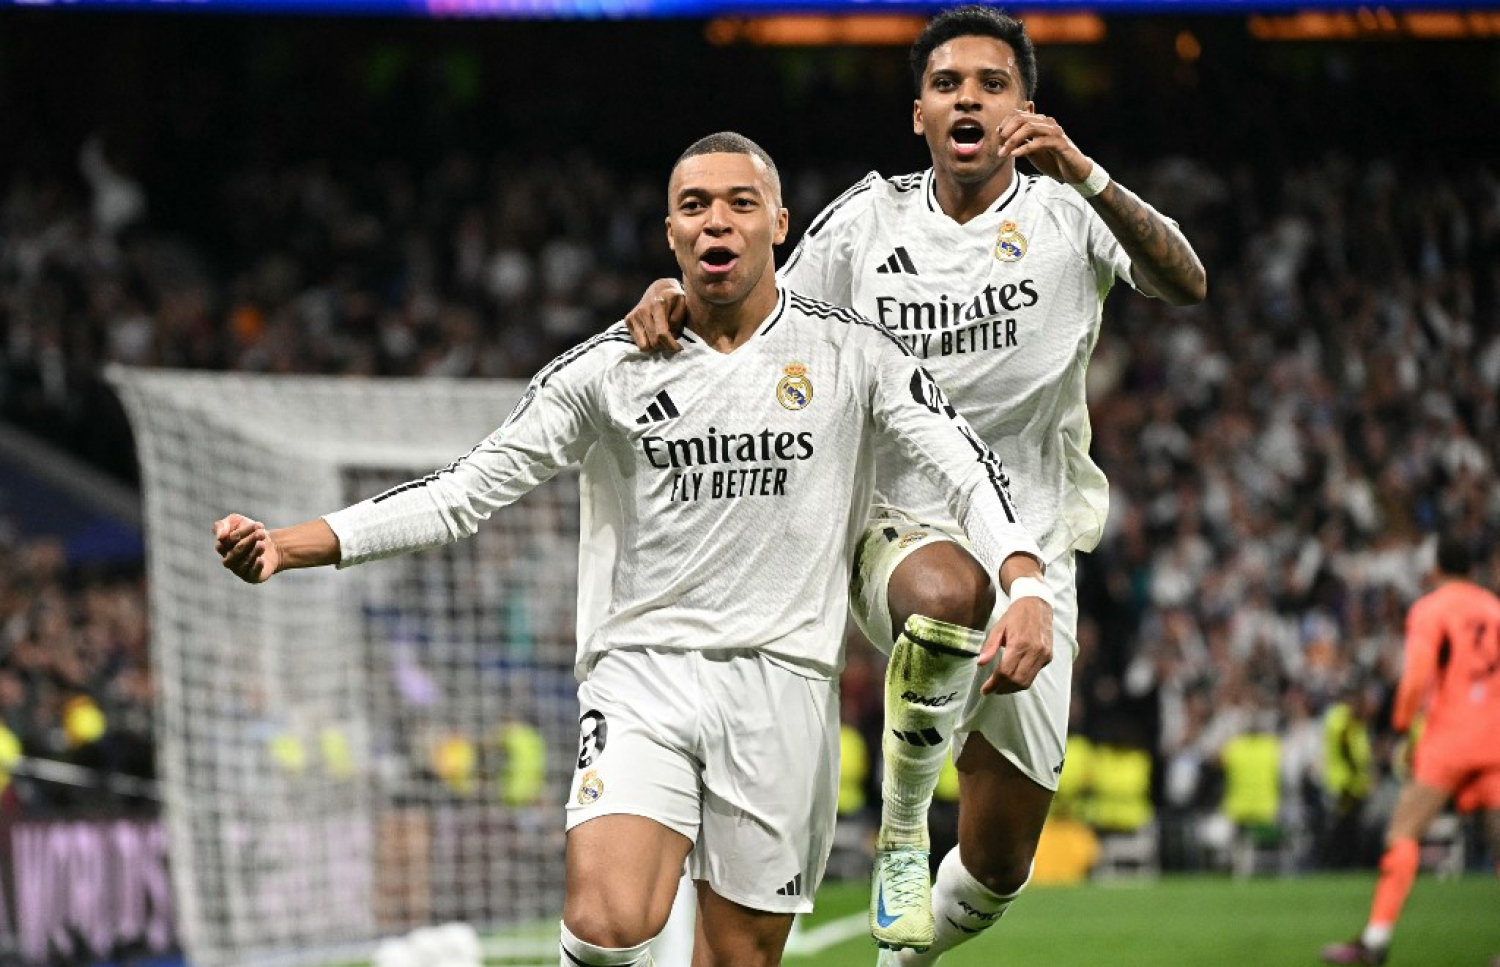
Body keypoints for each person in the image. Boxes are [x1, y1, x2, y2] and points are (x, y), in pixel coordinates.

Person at [213, 131, 1054, 967]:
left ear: (779, 225)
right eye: (694, 206)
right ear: (671, 232)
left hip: (783, 683)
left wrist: (1023, 582)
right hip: (642, 674)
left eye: (740, 203)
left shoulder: (850, 352)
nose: (716, 221)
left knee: (739, 957)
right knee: (605, 924)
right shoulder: (610, 369)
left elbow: (964, 465)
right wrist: (289, 545)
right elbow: (461, 491)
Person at [623, 6, 1206, 959]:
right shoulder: (866, 223)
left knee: (1001, 860)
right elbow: (766, 314)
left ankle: (904, 953)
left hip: (1034, 544)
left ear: (1025, 109)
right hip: (893, 525)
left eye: (991, 84)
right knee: (947, 593)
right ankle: (900, 829)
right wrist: (676, 296)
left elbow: (1187, 281)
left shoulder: (1068, 212)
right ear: (919, 115)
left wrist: (1086, 172)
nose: (968, 99)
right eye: (946, 85)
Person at [1320, 535, 1500, 966]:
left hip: (1449, 739)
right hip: (1495, 738)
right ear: (1473, 569)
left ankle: (1376, 940)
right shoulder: (1494, 609)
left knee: (1402, 834)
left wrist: (1400, 726)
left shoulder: (1431, 609)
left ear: (1436, 568)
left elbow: (1417, 676)